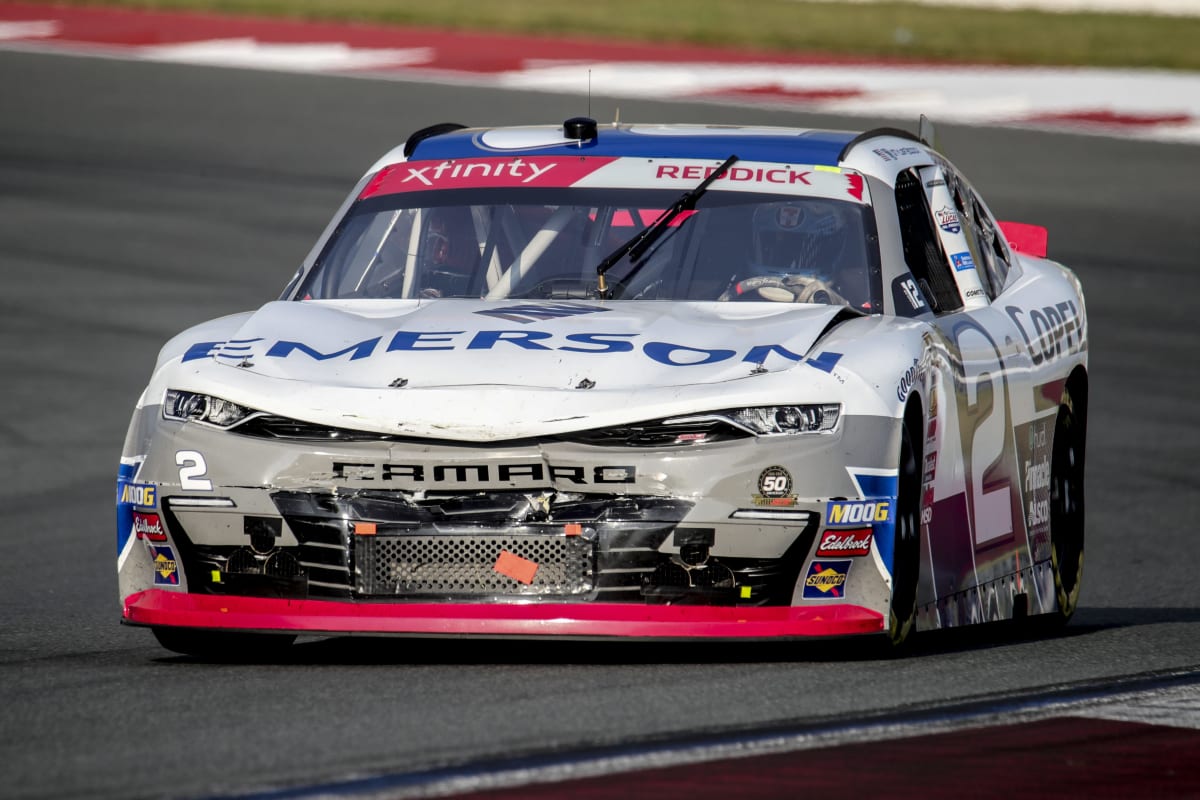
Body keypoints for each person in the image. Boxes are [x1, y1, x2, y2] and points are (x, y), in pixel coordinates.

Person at [719, 201, 850, 304]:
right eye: (773, 244)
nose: (786, 254)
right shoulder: (728, 289)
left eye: (795, 246)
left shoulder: (850, 300)